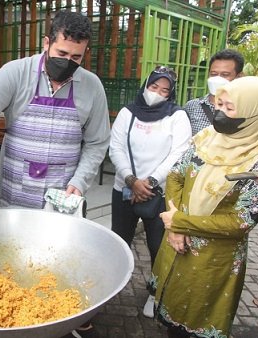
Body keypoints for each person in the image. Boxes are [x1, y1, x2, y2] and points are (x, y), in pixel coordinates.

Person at [148, 76, 258, 338]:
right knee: (171, 318)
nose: (220, 113)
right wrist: (175, 227)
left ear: (253, 112)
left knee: (196, 325)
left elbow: (240, 222)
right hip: (176, 242)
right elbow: (176, 175)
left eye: (230, 108)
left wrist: (178, 221)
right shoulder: (208, 136)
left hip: (212, 259)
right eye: (220, 104)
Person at [0, 10, 110, 218]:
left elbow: (97, 142)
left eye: (76, 57)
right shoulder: (15, 73)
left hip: (62, 202)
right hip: (14, 197)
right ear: (46, 43)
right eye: (62, 53)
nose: (68, 61)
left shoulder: (92, 87)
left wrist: (80, 181)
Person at [109, 66, 191, 318]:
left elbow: (179, 153)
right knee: (118, 241)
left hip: (159, 193)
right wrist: (132, 180)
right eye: (154, 87)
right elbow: (116, 148)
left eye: (164, 90)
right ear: (146, 86)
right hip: (124, 188)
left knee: (158, 246)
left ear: (171, 94)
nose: (157, 93)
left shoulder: (177, 116)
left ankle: (155, 293)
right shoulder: (127, 113)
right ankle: (110, 284)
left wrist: (151, 182)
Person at [184, 49, 244, 136]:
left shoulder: (246, 109)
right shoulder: (192, 107)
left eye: (225, 74)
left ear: (238, 77)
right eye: (213, 74)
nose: (217, 79)